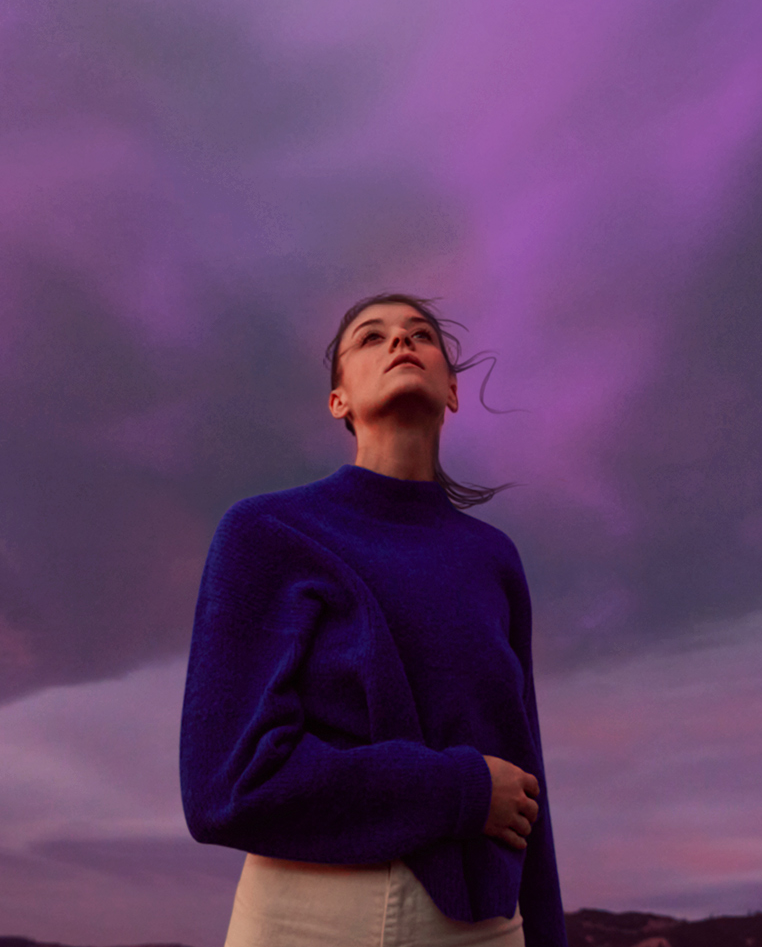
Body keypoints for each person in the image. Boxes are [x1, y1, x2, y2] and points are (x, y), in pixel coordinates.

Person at [179, 292, 568, 946]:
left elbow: (525, 782)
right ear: (339, 401)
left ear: (451, 389)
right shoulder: (266, 533)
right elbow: (227, 781)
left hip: (485, 926)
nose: (400, 341)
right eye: (371, 336)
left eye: (421, 333)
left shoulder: (493, 557)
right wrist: (461, 788)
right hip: (311, 913)